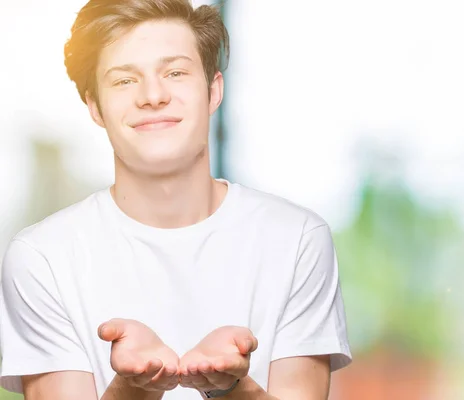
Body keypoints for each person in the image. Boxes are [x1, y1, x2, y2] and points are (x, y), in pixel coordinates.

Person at [0, 0, 352, 399]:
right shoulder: (42, 257)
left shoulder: (297, 239)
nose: (153, 95)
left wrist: (230, 388)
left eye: (175, 72)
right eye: (124, 80)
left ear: (213, 90)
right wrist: (135, 389)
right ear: (95, 105)